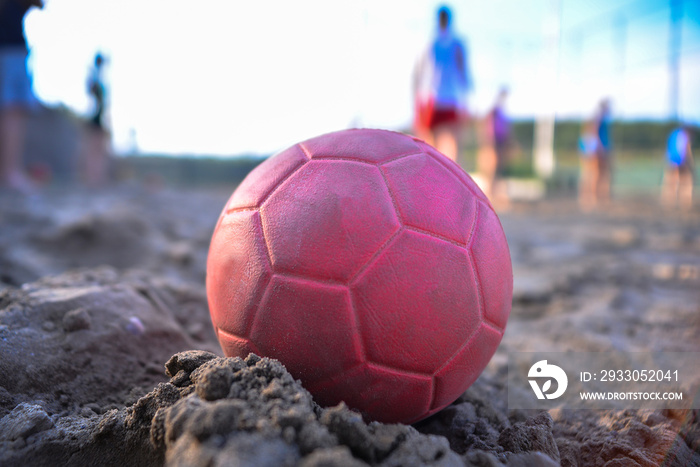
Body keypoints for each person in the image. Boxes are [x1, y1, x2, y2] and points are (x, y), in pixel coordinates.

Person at [413, 5, 472, 163]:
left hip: (450, 99)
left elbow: (463, 72)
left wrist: (466, 102)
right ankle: (432, 180)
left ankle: (450, 183)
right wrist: (418, 101)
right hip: (433, 99)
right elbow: (419, 74)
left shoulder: (456, 44)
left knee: (452, 145)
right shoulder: (431, 43)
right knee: (430, 146)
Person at [0, 0, 43, 193]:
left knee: (12, 112)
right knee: (13, 112)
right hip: (10, 51)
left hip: (11, 49)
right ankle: (10, 172)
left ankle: (9, 172)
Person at [478, 87, 512, 206]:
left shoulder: (501, 112)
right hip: (493, 144)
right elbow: (489, 129)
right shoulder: (495, 112)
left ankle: (494, 195)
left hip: (500, 144)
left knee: (498, 170)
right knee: (491, 170)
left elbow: (506, 130)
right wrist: (490, 143)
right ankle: (489, 196)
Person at [81, 52, 110, 186]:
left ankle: (97, 177)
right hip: (94, 117)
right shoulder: (94, 76)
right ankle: (92, 177)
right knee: (92, 148)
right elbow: (90, 93)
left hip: (101, 118)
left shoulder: (101, 77)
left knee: (100, 149)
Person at [578, 99, 612, 210]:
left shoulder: (598, 118)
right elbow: (594, 133)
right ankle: (592, 197)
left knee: (594, 174)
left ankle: (591, 197)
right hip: (596, 151)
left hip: (594, 150)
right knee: (595, 174)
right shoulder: (599, 117)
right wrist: (599, 148)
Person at [661, 125, 694, 210]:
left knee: (671, 181)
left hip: (671, 161)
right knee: (686, 181)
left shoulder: (673, 135)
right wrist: (690, 163)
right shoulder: (685, 136)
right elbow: (686, 150)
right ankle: (685, 203)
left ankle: (668, 201)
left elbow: (668, 150)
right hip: (681, 162)